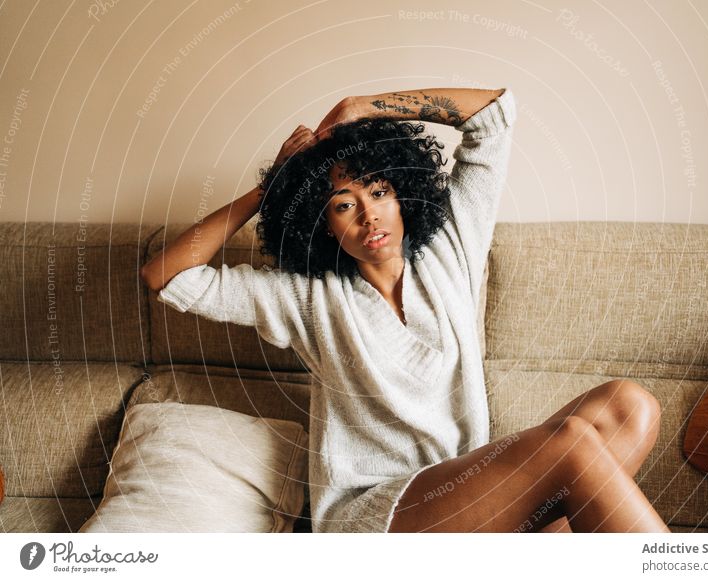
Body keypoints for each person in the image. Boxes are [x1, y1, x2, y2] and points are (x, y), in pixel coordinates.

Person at [140, 87, 670, 533]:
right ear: (323, 224)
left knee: (629, 405)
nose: (370, 215)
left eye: (379, 190)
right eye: (345, 204)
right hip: (376, 516)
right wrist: (271, 185)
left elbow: (492, 115)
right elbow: (165, 276)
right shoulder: (306, 297)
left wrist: (366, 106)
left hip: (472, 493)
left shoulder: (450, 249)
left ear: (403, 193)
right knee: (571, 445)